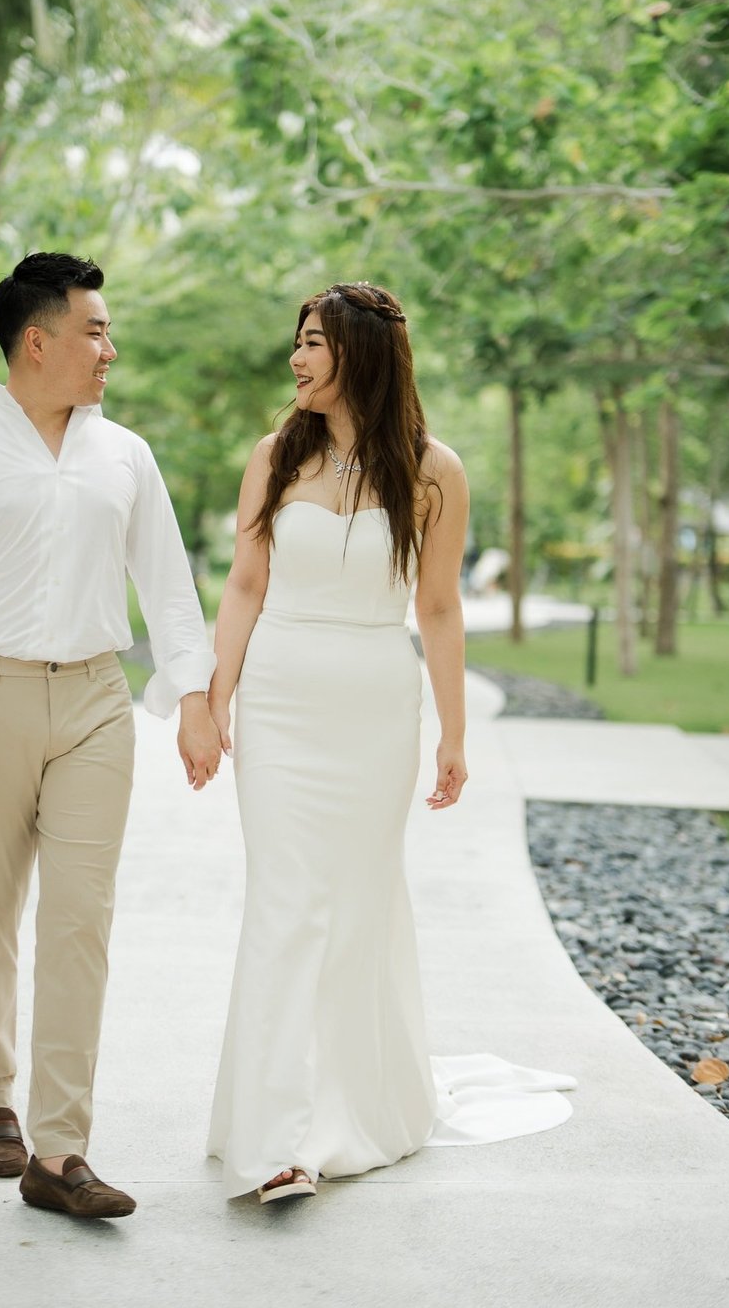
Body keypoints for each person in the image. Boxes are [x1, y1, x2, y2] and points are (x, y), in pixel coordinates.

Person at [0, 251, 220, 1220]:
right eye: (94, 329)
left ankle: (61, 1150)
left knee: (79, 923)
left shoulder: (125, 453)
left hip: (98, 701)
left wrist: (190, 695)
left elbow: (168, 581)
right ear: (37, 340)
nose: (110, 346)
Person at [205, 282, 574, 1202]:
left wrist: (453, 730)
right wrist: (214, 699)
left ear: (362, 354)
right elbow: (246, 582)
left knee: (359, 900)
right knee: (286, 900)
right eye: (296, 340)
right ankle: (277, 1132)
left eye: (315, 343)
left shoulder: (433, 469)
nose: (296, 358)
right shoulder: (273, 456)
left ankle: (352, 1110)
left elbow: (439, 607)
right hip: (281, 703)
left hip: (375, 708)